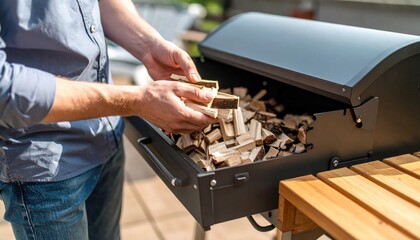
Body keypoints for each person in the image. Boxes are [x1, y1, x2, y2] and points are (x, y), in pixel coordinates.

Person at [0, 0, 216, 239]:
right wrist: (137, 101)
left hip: (106, 137)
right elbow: (4, 89)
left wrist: (149, 45)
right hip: (45, 169)